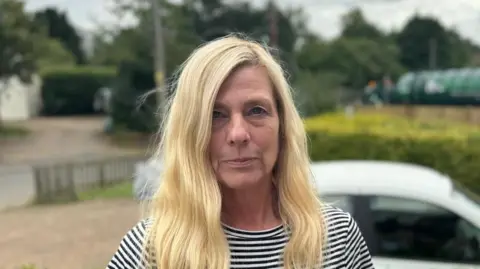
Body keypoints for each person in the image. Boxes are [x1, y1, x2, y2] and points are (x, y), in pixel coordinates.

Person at [106, 34, 375, 269]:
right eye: (215, 115)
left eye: (256, 110)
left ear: (282, 123)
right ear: (190, 131)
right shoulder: (152, 251)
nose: (237, 134)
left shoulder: (336, 239)